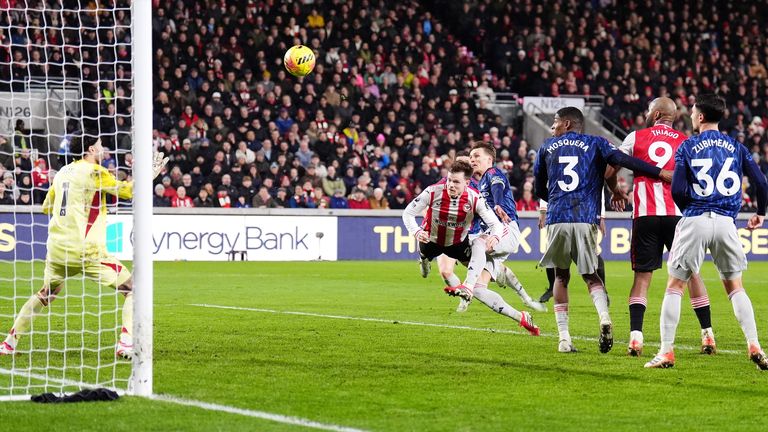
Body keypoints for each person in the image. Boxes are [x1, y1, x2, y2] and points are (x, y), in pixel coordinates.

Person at [0, 135, 168, 359]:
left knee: (47, 293)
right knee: (132, 288)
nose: (103, 149)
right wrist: (150, 175)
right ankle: (126, 343)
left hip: (57, 248)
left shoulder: (62, 173)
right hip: (85, 249)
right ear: (90, 149)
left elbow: (46, 206)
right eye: (100, 145)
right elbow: (127, 191)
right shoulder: (95, 171)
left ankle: (8, 344)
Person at [534, 107, 672, 353]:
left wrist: (555, 199)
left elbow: (539, 188)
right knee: (591, 276)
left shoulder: (546, 147)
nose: (552, 127)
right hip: (586, 218)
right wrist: (659, 172)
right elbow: (622, 160)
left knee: (560, 276)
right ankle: (604, 317)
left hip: (557, 218)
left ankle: (564, 339)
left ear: (567, 124)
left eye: (555, 122)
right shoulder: (597, 142)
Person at [645, 95, 768, 370]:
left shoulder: (688, 146)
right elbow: (761, 182)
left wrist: (691, 209)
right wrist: (760, 213)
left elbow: (677, 189)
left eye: (692, 112)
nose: (690, 116)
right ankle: (755, 345)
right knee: (735, 287)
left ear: (700, 116)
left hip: (695, 218)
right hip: (726, 222)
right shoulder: (736, 147)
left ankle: (666, 352)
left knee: (675, 286)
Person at [613, 97, 716, 357]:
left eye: (649, 110)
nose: (647, 114)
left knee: (642, 278)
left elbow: (612, 165)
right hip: (678, 216)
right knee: (692, 273)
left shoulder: (635, 137)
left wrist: (615, 187)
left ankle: (636, 338)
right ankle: (708, 336)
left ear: (657, 114)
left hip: (646, 214)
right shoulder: (685, 141)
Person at [402, 160, 540, 335]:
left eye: (456, 182)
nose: (451, 185)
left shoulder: (475, 198)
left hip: (458, 245)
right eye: (449, 180)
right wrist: (415, 231)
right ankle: (424, 261)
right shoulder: (433, 191)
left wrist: (495, 236)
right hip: (430, 240)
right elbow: (408, 213)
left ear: (467, 183)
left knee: (479, 289)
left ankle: (519, 315)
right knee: (429, 269)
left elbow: (496, 224)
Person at [457, 142, 544, 312]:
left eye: (476, 156)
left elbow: (498, 186)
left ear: (489, 159)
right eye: (471, 157)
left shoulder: (493, 172)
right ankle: (523, 309)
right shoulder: (479, 183)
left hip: (505, 228)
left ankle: (467, 287)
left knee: (477, 245)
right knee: (480, 289)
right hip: (492, 232)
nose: (472, 160)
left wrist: (497, 204)